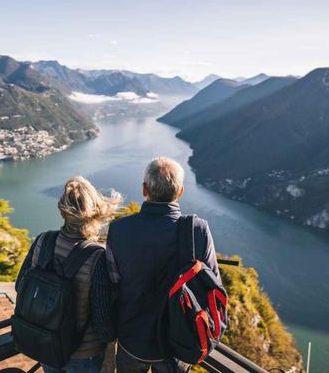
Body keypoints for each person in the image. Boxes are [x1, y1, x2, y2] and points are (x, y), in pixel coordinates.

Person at [106, 157, 221, 373]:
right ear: (180, 192)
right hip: (177, 341)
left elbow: (113, 281)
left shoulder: (119, 229)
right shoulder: (197, 230)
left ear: (144, 190)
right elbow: (212, 285)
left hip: (132, 336)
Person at [16, 176, 120, 373]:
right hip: (84, 352)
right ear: (95, 212)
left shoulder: (42, 241)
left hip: (46, 342)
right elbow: (102, 316)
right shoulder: (98, 256)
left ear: (63, 210)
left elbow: (21, 285)